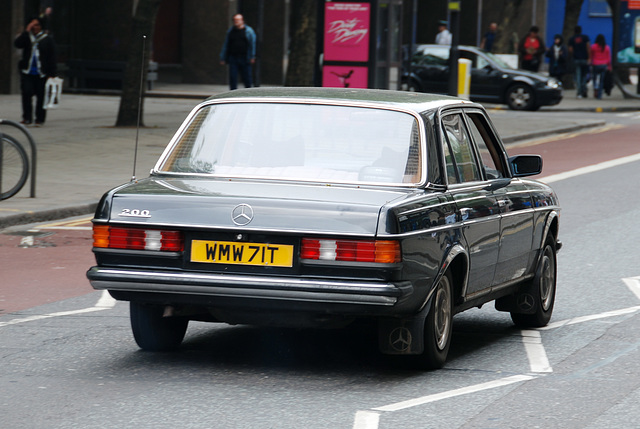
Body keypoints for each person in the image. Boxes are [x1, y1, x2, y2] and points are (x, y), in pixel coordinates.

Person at [14, 16, 57, 126]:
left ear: (41, 26)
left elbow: (52, 57)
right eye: (32, 25)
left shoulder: (47, 39)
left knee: (41, 96)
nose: (35, 27)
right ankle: (27, 118)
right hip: (27, 72)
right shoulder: (27, 37)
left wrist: (52, 74)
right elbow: (17, 44)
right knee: (26, 94)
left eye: (37, 25)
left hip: (41, 73)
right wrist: (26, 30)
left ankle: (40, 119)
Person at [220, 14, 257, 90]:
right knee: (233, 77)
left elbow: (252, 44)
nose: (236, 22)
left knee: (247, 77)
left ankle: (249, 92)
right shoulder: (231, 31)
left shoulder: (248, 31)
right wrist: (223, 57)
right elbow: (226, 44)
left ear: (242, 21)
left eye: (238, 20)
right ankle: (233, 92)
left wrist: (252, 56)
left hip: (244, 57)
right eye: (235, 20)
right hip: (233, 57)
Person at [568, 26, 591, 98]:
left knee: (578, 76)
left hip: (576, 59)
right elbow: (588, 47)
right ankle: (584, 89)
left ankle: (579, 93)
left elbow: (570, 50)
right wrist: (589, 58)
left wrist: (574, 54)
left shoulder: (571, 39)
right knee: (584, 75)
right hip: (584, 58)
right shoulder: (585, 38)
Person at [590, 34, 612, 99]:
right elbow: (609, 58)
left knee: (594, 78)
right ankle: (600, 95)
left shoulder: (593, 47)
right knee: (601, 81)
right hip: (604, 65)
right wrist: (609, 66)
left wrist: (591, 63)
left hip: (595, 64)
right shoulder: (607, 47)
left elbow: (591, 56)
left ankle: (595, 88)